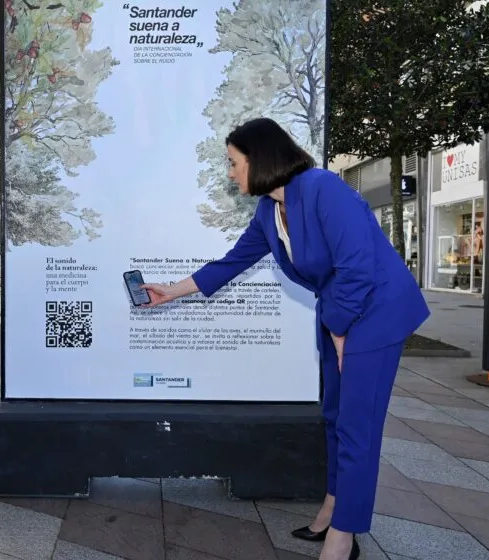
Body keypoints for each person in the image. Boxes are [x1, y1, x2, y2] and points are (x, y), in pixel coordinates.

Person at [140, 118, 429, 560]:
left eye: (233, 162)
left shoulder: (323, 188)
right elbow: (232, 262)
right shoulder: (269, 211)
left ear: (260, 159)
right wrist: (170, 291)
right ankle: (334, 504)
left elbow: (357, 267)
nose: (230, 173)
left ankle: (343, 538)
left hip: (375, 310)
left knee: (357, 426)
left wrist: (339, 331)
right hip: (340, 312)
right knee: (334, 416)